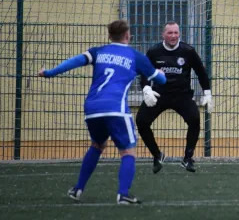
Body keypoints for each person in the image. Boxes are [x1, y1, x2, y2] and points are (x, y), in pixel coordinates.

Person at [38, 20, 166, 204]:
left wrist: (50, 72)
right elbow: (160, 80)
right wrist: (160, 73)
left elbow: (74, 61)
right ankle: (123, 194)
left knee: (97, 145)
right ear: (128, 35)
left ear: (109, 36)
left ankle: (78, 189)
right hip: (116, 109)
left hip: (92, 108)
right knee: (128, 151)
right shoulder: (135, 56)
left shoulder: (98, 52)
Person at [136, 21, 212, 174]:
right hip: (159, 94)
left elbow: (201, 72)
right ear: (163, 35)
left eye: (176, 32)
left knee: (194, 119)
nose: (173, 36)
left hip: (182, 95)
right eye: (169, 33)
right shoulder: (154, 51)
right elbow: (144, 72)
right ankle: (157, 155)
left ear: (179, 34)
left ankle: (188, 158)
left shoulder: (188, 51)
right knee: (141, 121)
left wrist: (207, 93)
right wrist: (146, 89)